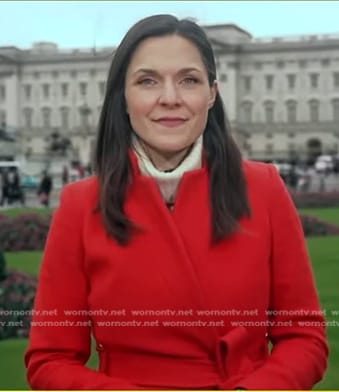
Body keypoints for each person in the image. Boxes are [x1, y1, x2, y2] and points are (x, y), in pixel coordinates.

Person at [25, 14, 328, 390]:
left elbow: (305, 339)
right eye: (148, 81)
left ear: (212, 93)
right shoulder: (80, 203)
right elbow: (49, 361)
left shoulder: (263, 188)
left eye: (189, 80)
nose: (170, 98)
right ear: (123, 95)